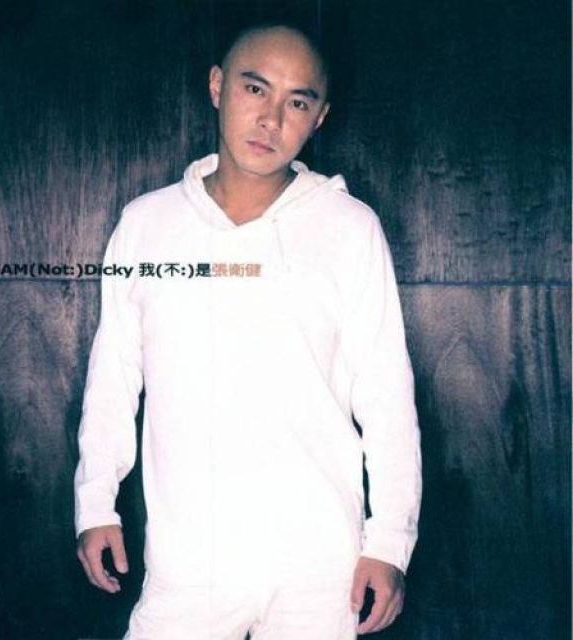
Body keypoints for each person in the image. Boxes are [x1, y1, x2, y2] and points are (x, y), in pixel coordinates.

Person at [74, 21, 422, 639]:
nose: (271, 120)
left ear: (319, 118)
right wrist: (95, 502)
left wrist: (390, 541)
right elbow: (114, 375)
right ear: (217, 86)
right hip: (189, 562)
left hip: (320, 563)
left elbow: (387, 394)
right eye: (255, 89)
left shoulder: (349, 228)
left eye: (298, 103)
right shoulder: (146, 225)